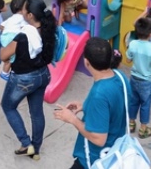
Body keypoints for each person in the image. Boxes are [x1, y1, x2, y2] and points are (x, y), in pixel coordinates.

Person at [54, 37, 128, 169]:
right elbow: (117, 105)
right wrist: (86, 106)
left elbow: (99, 139)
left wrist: (72, 119)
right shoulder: (120, 76)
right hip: (116, 150)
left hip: (95, 160)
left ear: (86, 62)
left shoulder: (99, 95)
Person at [0, 0, 57, 160]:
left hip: (24, 79)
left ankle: (26, 144)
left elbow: (3, 55)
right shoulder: (48, 29)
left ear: (30, 15)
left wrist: (5, 38)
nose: (22, 12)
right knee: (36, 112)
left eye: (24, 10)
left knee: (8, 106)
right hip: (43, 74)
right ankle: (36, 148)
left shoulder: (22, 36)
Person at [127, 17, 151, 139]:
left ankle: (131, 124)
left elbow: (128, 60)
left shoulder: (132, 44)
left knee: (133, 101)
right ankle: (143, 129)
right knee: (145, 104)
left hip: (134, 78)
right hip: (147, 81)